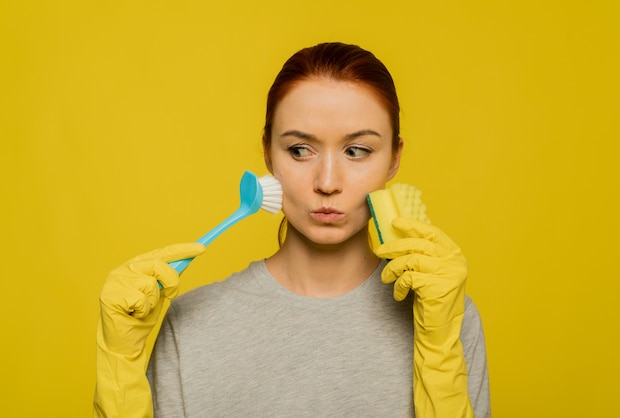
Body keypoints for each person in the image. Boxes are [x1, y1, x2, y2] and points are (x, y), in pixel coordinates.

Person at [94, 42, 491, 417]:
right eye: (300, 150)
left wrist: (438, 347)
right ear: (268, 153)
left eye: (357, 151)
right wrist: (119, 365)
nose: (328, 182)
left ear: (393, 159)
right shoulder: (190, 324)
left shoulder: (444, 314)